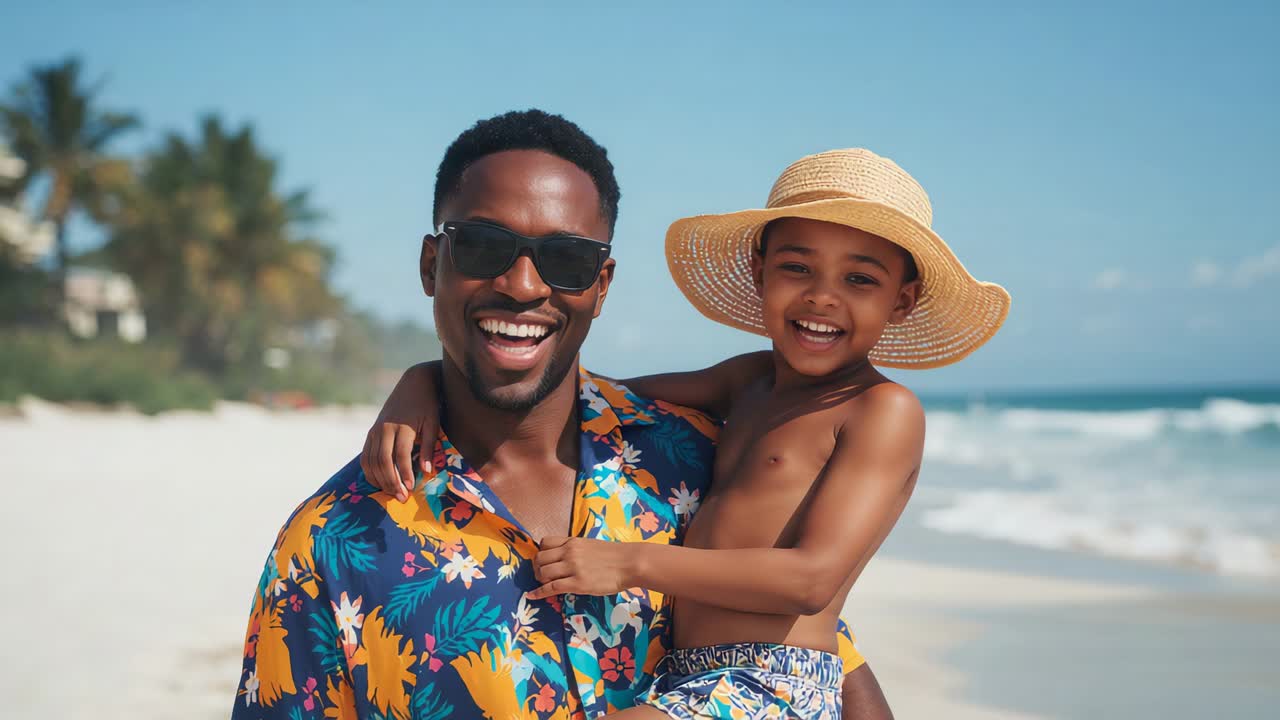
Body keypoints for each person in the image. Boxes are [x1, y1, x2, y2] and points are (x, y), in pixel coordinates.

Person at [233, 110, 891, 720]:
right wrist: (425, 376)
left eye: (567, 259)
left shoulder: (695, 460)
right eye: (486, 247)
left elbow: (818, 659)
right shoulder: (329, 546)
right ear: (433, 264)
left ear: (600, 287)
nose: (523, 285)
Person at [363, 147, 1010, 718]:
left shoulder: (882, 411)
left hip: (772, 681)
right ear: (759, 274)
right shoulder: (750, 381)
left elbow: (812, 580)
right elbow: (592, 394)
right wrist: (427, 380)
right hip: (687, 677)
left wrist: (630, 564)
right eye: (797, 268)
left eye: (860, 279)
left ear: (901, 300)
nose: (822, 297)